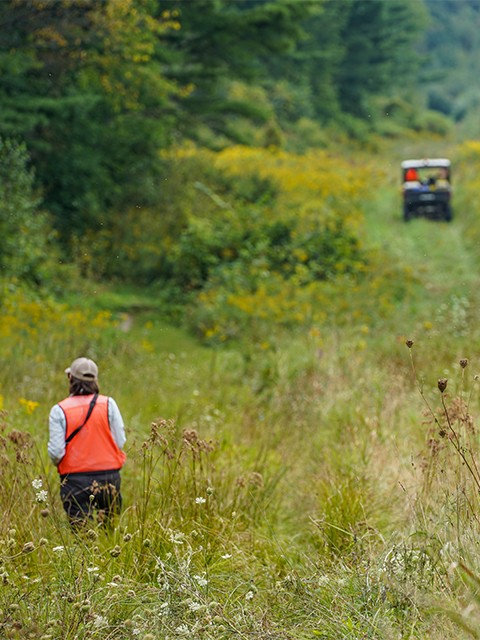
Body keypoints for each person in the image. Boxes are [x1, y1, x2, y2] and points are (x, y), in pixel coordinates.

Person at [48, 357, 126, 527]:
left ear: (70, 379)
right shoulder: (109, 404)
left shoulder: (59, 410)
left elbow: (56, 452)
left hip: (75, 481)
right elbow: (120, 442)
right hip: (109, 478)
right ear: (95, 380)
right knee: (110, 535)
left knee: (82, 538)